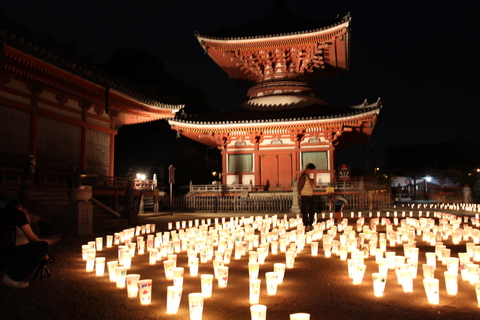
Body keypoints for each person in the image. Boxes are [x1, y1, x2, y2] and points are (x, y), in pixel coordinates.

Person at [0, 201, 59, 288]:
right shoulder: (17, 213)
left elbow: (11, 243)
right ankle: (12, 277)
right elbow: (33, 238)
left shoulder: (3, 216)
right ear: (20, 209)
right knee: (44, 246)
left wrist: (27, 250)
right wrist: (44, 254)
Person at [298, 163, 316, 231]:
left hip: (311, 196)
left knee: (312, 211)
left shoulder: (308, 177)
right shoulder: (303, 177)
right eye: (312, 170)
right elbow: (299, 187)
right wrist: (301, 195)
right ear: (309, 169)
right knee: (305, 212)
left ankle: (311, 224)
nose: (312, 172)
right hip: (305, 196)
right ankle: (306, 225)